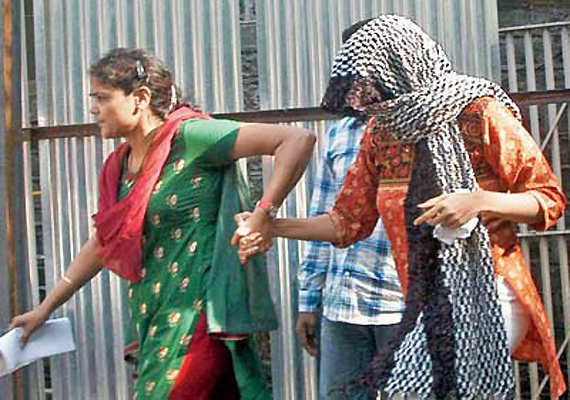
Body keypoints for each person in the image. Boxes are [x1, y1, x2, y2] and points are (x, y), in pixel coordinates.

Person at [234, 16, 567, 399]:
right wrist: (274, 227)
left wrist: (478, 200)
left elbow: (548, 199)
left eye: (369, 80)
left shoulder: (478, 112)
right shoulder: (381, 134)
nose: (362, 94)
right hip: (423, 299)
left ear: (400, 66)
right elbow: (345, 222)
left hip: (487, 290)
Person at [9, 48, 316, 400]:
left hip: (197, 317)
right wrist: (44, 309)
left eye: (102, 97)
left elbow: (295, 140)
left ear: (139, 98)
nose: (93, 108)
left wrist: (263, 214)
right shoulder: (119, 166)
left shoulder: (192, 138)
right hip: (154, 315)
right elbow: (102, 244)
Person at [293, 19, 405, 400]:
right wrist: (309, 300)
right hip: (343, 307)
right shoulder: (340, 133)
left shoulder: (425, 127)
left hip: (405, 304)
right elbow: (326, 214)